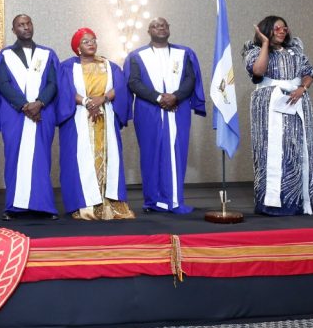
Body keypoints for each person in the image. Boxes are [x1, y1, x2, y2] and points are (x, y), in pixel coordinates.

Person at [124, 17, 206, 213]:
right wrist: (159, 97)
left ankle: (174, 199)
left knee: (177, 151)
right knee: (150, 153)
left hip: (178, 108)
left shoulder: (184, 53)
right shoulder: (136, 56)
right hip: (148, 109)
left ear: (169, 29)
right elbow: (133, 82)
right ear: (148, 31)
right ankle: (153, 200)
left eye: (164, 25)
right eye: (155, 25)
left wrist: (175, 96)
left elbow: (190, 79)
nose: (160, 28)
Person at [243, 15, 313, 215]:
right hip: (268, 106)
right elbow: (258, 71)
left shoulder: (296, 51)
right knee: (271, 150)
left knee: (297, 149)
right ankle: (272, 203)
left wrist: (302, 88)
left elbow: (309, 72)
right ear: (266, 30)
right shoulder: (254, 51)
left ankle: (299, 203)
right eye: (277, 28)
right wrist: (265, 44)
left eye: (284, 28)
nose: (282, 31)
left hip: (297, 102)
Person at [0, 14, 60, 220]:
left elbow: (53, 83)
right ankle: (13, 206)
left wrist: (40, 103)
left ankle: (44, 206)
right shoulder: (5, 55)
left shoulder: (47, 54)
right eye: (20, 25)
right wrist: (25, 106)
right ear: (14, 30)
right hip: (15, 115)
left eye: (28, 23)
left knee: (41, 158)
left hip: (42, 113)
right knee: (14, 157)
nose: (26, 27)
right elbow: (3, 84)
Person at [56, 28, 134, 220]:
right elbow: (64, 91)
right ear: (77, 47)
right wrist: (86, 102)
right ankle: (84, 205)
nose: (91, 43)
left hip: (105, 115)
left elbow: (120, 87)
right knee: (78, 159)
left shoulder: (109, 65)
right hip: (77, 117)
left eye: (93, 40)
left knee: (109, 158)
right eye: (85, 41)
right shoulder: (66, 67)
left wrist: (102, 99)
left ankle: (110, 205)